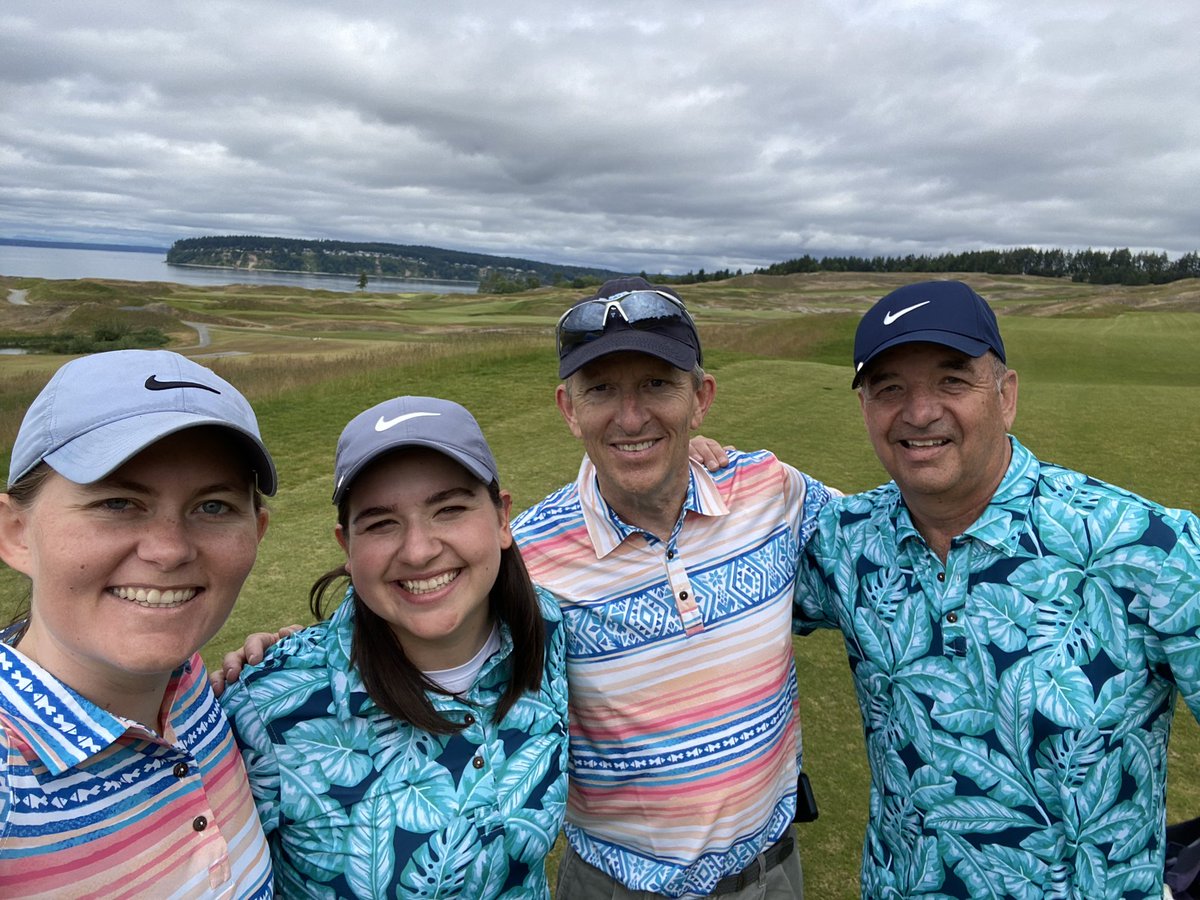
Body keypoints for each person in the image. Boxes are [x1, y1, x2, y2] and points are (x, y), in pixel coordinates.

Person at [795, 279, 1200, 898]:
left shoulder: (1149, 545)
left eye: (952, 380)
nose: (919, 411)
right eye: (889, 387)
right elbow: (722, 591)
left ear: (1006, 395)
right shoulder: (845, 542)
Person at [510, 277, 834, 898]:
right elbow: (421, 645)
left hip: (773, 873)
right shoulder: (525, 559)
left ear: (700, 397)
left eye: (658, 385)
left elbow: (887, 546)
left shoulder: (770, 489)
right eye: (601, 390)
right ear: (567, 408)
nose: (631, 417)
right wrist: (276, 655)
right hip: (619, 884)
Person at [219, 396, 569, 898]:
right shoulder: (263, 714)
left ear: (501, 518)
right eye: (382, 523)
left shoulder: (548, 631)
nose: (419, 550)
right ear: (348, 548)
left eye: (449, 509)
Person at [0, 349, 276, 898]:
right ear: (14, 532)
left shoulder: (189, 683)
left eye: (214, 506)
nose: (169, 550)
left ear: (256, 532)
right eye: (118, 502)